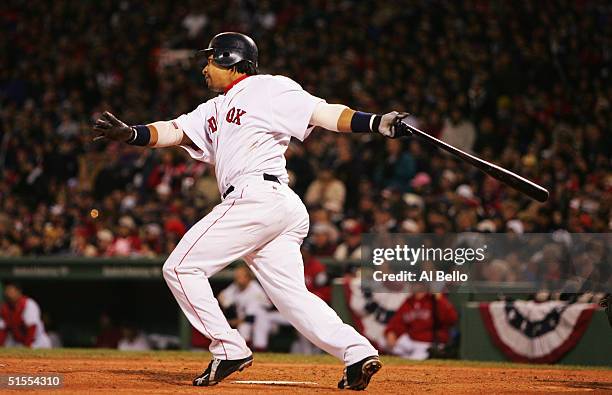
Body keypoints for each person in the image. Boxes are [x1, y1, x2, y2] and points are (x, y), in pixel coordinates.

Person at [92, 32, 411, 390]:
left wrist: (374, 122)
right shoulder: (212, 108)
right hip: (273, 206)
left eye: (211, 60)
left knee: (180, 267)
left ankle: (229, 348)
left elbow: (323, 113)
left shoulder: (269, 88)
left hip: (259, 195)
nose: (204, 68)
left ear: (231, 60)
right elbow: (175, 131)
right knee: (292, 298)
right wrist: (132, 134)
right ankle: (357, 353)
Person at [218, 265, 284, 352]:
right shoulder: (235, 287)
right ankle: (246, 353)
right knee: (244, 327)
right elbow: (222, 296)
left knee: (253, 325)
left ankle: (260, 352)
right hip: (246, 319)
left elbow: (250, 317)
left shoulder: (255, 289)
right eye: (237, 276)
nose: (238, 279)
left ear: (248, 277)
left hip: (267, 319)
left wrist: (233, 321)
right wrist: (227, 306)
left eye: (241, 276)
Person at [385, 291, 458, 360]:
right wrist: (391, 332)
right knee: (384, 343)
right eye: (415, 283)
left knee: (414, 360)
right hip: (412, 341)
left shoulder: (434, 300)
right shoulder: (410, 301)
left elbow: (452, 319)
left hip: (428, 344)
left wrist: (440, 299)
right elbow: (397, 320)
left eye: (420, 283)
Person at [0, 283, 52, 349]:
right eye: (7, 291)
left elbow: (32, 327)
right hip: (19, 342)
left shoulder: (28, 304)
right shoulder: (4, 308)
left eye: (11, 291)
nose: (9, 294)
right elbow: (2, 330)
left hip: (37, 342)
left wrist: (27, 346)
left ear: (19, 292)